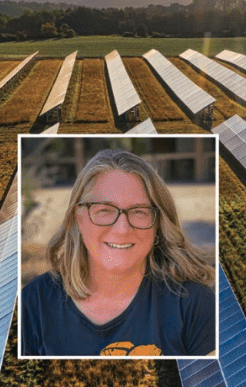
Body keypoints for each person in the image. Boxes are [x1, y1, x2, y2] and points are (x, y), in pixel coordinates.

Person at [21, 148, 216, 357]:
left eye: (139, 211)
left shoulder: (193, 304)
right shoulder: (33, 303)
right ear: (78, 218)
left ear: (158, 223)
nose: (122, 229)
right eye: (104, 210)